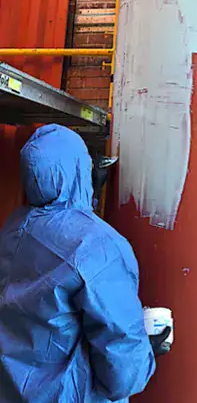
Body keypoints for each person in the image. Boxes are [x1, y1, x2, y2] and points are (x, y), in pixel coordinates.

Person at [0, 123, 170, 402]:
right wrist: (146, 351)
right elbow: (122, 373)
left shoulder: (14, 227)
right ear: (80, 170)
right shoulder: (100, 245)